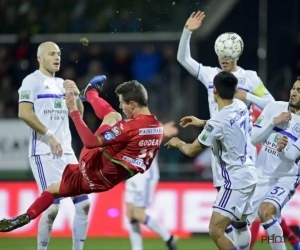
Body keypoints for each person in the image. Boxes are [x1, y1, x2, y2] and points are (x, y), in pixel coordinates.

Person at [176, 11, 300, 246]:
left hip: (244, 153)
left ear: (237, 54)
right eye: (221, 55)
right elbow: (184, 59)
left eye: (229, 56)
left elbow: (272, 105)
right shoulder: (211, 75)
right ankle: (284, 238)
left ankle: (285, 238)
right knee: (239, 220)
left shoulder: (250, 78)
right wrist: (187, 31)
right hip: (218, 153)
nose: (224, 59)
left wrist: (248, 95)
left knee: (240, 216)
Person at [0, 78, 164, 239]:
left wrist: (74, 111)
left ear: (133, 105)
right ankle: (26, 216)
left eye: (122, 103)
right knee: (53, 190)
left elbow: (90, 143)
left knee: (113, 116)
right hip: (104, 182)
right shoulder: (158, 128)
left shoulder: (129, 127)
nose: (121, 106)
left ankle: (91, 94)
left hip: (94, 164)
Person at [165, 71, 257, 250]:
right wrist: (202, 123)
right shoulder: (239, 105)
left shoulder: (217, 123)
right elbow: (225, 124)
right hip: (250, 174)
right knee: (240, 223)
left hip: (235, 180)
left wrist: (178, 143)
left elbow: (192, 150)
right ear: (235, 89)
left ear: (214, 90)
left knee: (215, 230)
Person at [17, 41, 89, 250]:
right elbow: (24, 113)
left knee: (84, 204)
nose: (57, 57)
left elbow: (78, 116)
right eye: (51, 54)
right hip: (43, 153)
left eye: (58, 54)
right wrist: (49, 135)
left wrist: (77, 96)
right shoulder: (31, 81)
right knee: (51, 210)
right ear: (40, 58)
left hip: (67, 152)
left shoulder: (63, 83)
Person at [247, 77, 300, 250]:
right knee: (238, 224)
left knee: (265, 212)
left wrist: (283, 148)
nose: (293, 92)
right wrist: (273, 123)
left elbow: (292, 156)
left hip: (286, 178)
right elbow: (253, 140)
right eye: (293, 88)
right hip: (261, 174)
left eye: (299, 91)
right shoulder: (274, 107)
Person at [125, 121, 178, 250]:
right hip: (132, 173)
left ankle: (168, 237)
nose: (121, 105)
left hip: (145, 175)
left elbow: (152, 135)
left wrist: (162, 130)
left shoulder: (148, 121)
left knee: (139, 214)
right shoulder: (127, 122)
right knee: (130, 214)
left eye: (123, 102)